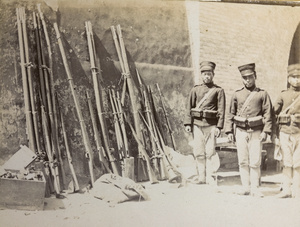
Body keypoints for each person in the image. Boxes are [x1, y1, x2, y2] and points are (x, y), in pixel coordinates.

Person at [225, 63, 272, 197]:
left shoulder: (262, 94)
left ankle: (255, 188)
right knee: (242, 160)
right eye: (245, 78)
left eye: (250, 77)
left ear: (255, 76)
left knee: (255, 161)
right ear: (242, 79)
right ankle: (245, 187)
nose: (248, 80)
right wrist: (229, 132)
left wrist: (266, 131)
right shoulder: (237, 94)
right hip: (240, 131)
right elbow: (230, 114)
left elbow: (268, 114)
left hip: (256, 132)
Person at [184, 61, 225, 185]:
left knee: (210, 152)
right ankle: (201, 177)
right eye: (205, 74)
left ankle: (210, 177)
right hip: (197, 125)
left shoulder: (218, 91)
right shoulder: (195, 90)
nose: (207, 76)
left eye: (209, 74)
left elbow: (221, 110)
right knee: (198, 152)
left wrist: (219, 126)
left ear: (213, 75)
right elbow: (188, 107)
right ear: (201, 75)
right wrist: (187, 124)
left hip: (211, 126)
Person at [273, 63, 300, 199]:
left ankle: (297, 190)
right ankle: (286, 190)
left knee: (298, 163)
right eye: (294, 77)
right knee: (287, 162)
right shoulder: (283, 95)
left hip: (299, 133)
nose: (297, 80)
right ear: (288, 79)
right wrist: (274, 134)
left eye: (299, 77)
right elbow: (273, 114)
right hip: (284, 132)